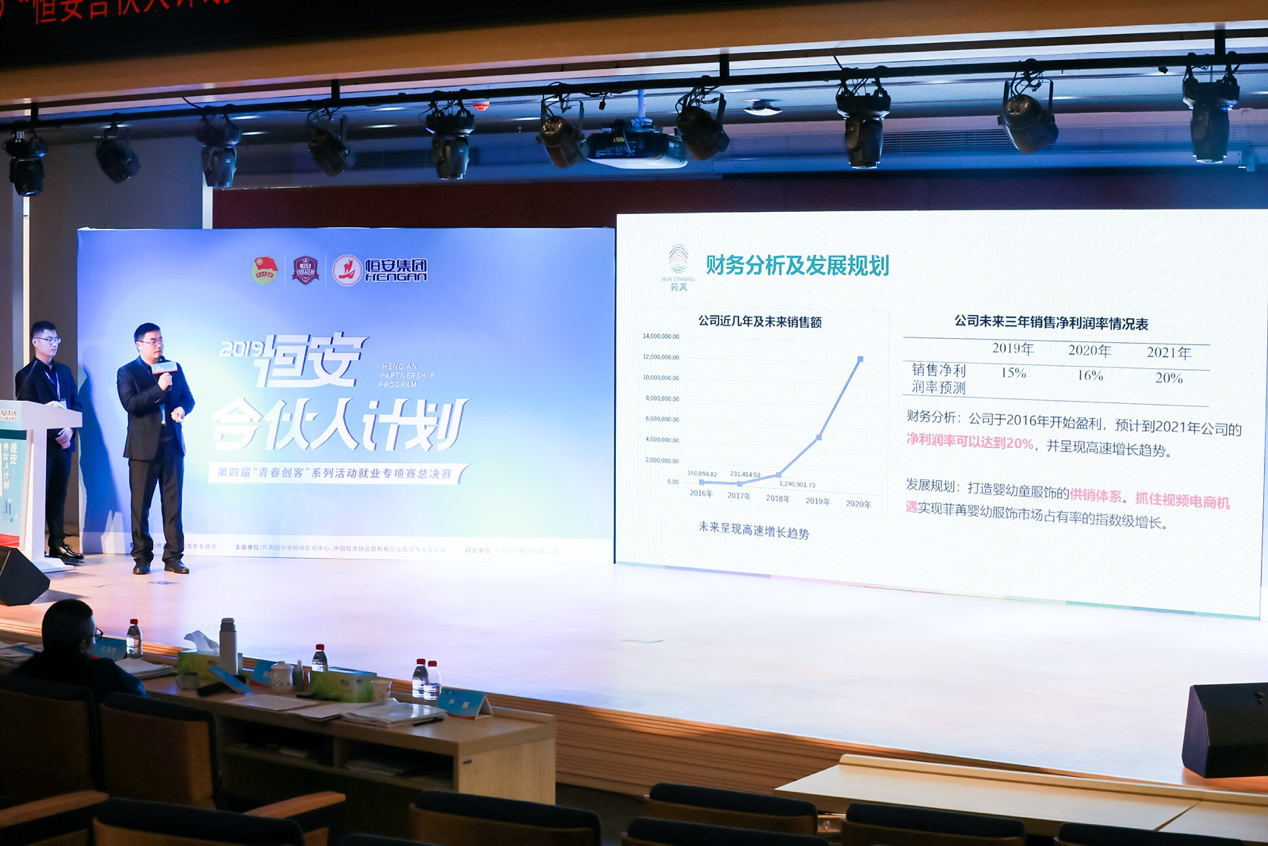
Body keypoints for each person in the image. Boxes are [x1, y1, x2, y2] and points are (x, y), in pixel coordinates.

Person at [117, 322, 194, 575]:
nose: (158, 344)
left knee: (173, 505)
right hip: (142, 448)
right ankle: (142, 558)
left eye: (160, 339)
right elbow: (131, 403)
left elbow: (188, 398)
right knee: (140, 506)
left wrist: (182, 409)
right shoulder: (127, 372)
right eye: (153, 341)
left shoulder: (173, 367)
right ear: (139, 345)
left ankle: (173, 557)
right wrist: (158, 389)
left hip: (172, 445)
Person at [14, 320, 85, 563]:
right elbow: (29, 410)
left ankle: (57, 544)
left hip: (65, 444)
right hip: (42, 445)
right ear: (35, 342)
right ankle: (34, 546)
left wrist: (70, 430)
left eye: (56, 339)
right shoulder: (26, 375)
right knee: (39, 495)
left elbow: (76, 403)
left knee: (58, 495)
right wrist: (57, 433)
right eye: (48, 339)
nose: (54, 344)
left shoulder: (64, 371)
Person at [10, 599, 146, 700]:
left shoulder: (23, 673)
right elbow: (139, 695)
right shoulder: (103, 673)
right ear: (83, 645)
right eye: (94, 636)